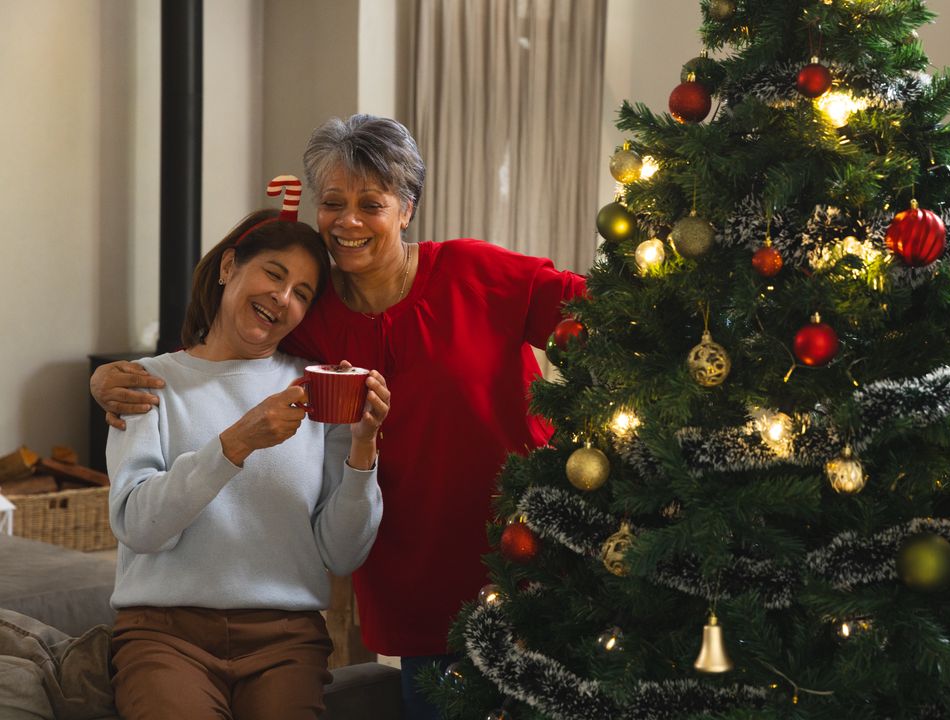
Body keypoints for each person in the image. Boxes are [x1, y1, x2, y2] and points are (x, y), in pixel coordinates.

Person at [91, 114, 587, 720]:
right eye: (332, 202)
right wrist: (108, 379)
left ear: (406, 210)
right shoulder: (313, 316)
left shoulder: (474, 272)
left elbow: (597, 316)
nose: (347, 221)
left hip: (535, 561)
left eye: (370, 204)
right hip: (414, 583)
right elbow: (217, 361)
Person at [105, 204, 390, 720]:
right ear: (228, 266)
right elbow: (138, 526)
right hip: (165, 633)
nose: (282, 299)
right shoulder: (146, 383)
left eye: (302, 294)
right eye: (274, 274)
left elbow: (342, 554)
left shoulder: (317, 388)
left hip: (285, 640)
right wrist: (235, 443)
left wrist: (363, 445)